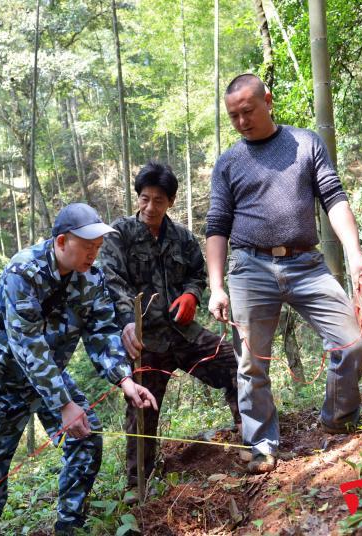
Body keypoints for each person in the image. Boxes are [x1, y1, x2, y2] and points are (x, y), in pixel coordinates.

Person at [205, 74, 362, 474]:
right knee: (251, 363)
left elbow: (334, 199)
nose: (241, 121)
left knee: (352, 342)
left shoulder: (306, 142)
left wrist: (354, 257)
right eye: (233, 115)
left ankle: (338, 418)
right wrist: (216, 287)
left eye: (248, 111)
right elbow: (217, 226)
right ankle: (262, 444)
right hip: (249, 266)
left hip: (306, 264)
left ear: (267, 101)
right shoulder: (229, 162)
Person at [0, 203, 158, 536]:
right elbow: (27, 346)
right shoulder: (23, 271)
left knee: (86, 434)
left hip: (47, 371)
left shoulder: (91, 278)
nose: (93, 255)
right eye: (87, 247)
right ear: (61, 242)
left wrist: (125, 380)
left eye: (97, 248)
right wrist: (65, 404)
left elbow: (102, 332)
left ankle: (69, 526)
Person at [98, 161, 240, 497]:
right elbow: (110, 280)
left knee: (235, 364)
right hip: (146, 341)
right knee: (142, 408)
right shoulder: (119, 236)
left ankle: (249, 434)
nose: (149, 207)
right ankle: (139, 487)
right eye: (144, 199)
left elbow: (197, 273)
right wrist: (127, 321)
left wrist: (192, 293)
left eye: (158, 201)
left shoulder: (183, 238)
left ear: (171, 202)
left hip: (183, 333)